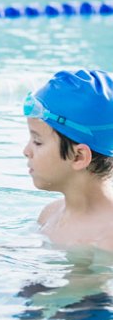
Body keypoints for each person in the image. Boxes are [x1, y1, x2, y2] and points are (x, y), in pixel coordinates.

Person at [23, 68, 113, 253]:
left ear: (79, 157)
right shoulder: (49, 215)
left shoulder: (107, 238)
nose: (26, 151)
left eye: (38, 142)